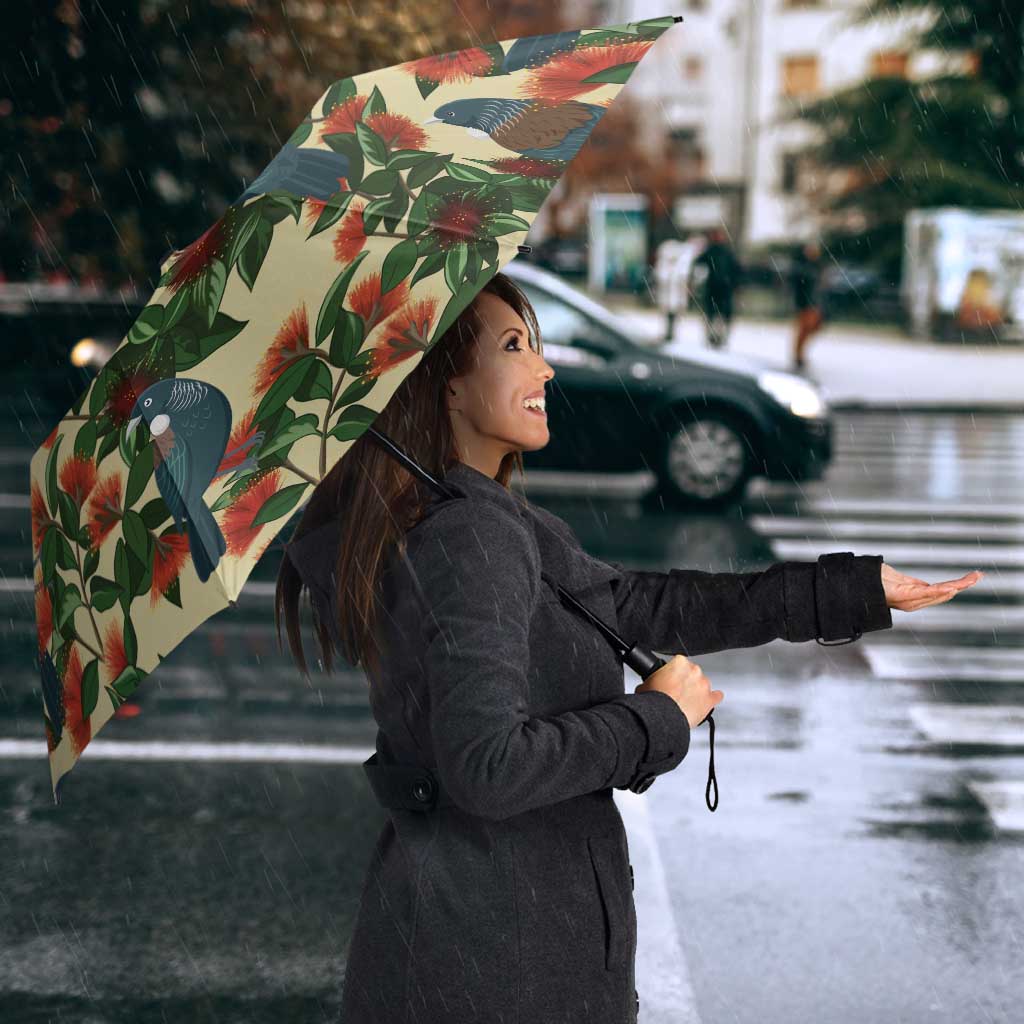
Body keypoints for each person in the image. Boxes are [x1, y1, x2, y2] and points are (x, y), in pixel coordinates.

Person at [276, 272, 981, 1024]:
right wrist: (654, 719)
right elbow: (487, 767)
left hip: (482, 943)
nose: (544, 368)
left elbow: (644, 606)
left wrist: (849, 590)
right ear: (446, 387)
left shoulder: (480, 519)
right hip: (495, 963)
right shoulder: (469, 536)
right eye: (515, 346)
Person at [692, 226, 742, 349]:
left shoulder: (725, 252)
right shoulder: (712, 251)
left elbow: (736, 270)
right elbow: (698, 264)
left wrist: (735, 284)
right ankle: (713, 337)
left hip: (723, 288)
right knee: (713, 314)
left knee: (720, 315)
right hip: (715, 288)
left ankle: (719, 337)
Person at [790, 239, 826, 370]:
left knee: (812, 328)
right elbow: (799, 286)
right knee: (804, 329)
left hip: (814, 303)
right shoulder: (802, 267)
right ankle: (798, 355)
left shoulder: (817, 266)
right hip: (805, 303)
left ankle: (799, 354)